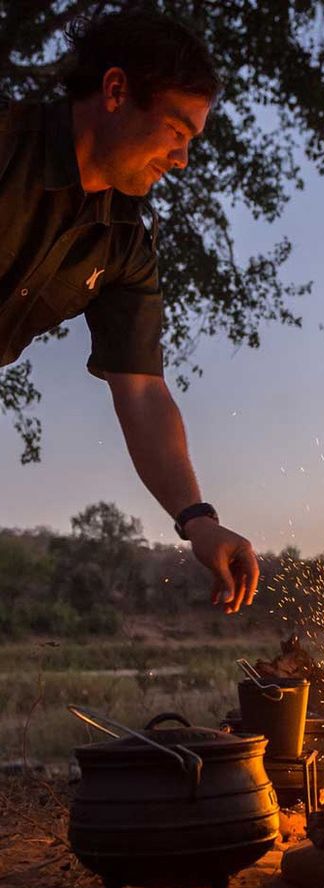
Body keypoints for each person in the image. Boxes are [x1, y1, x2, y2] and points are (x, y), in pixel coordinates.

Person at [0, 10, 258, 613]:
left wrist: (198, 519)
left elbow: (142, 391)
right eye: (176, 130)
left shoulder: (125, 246)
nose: (182, 158)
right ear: (116, 91)